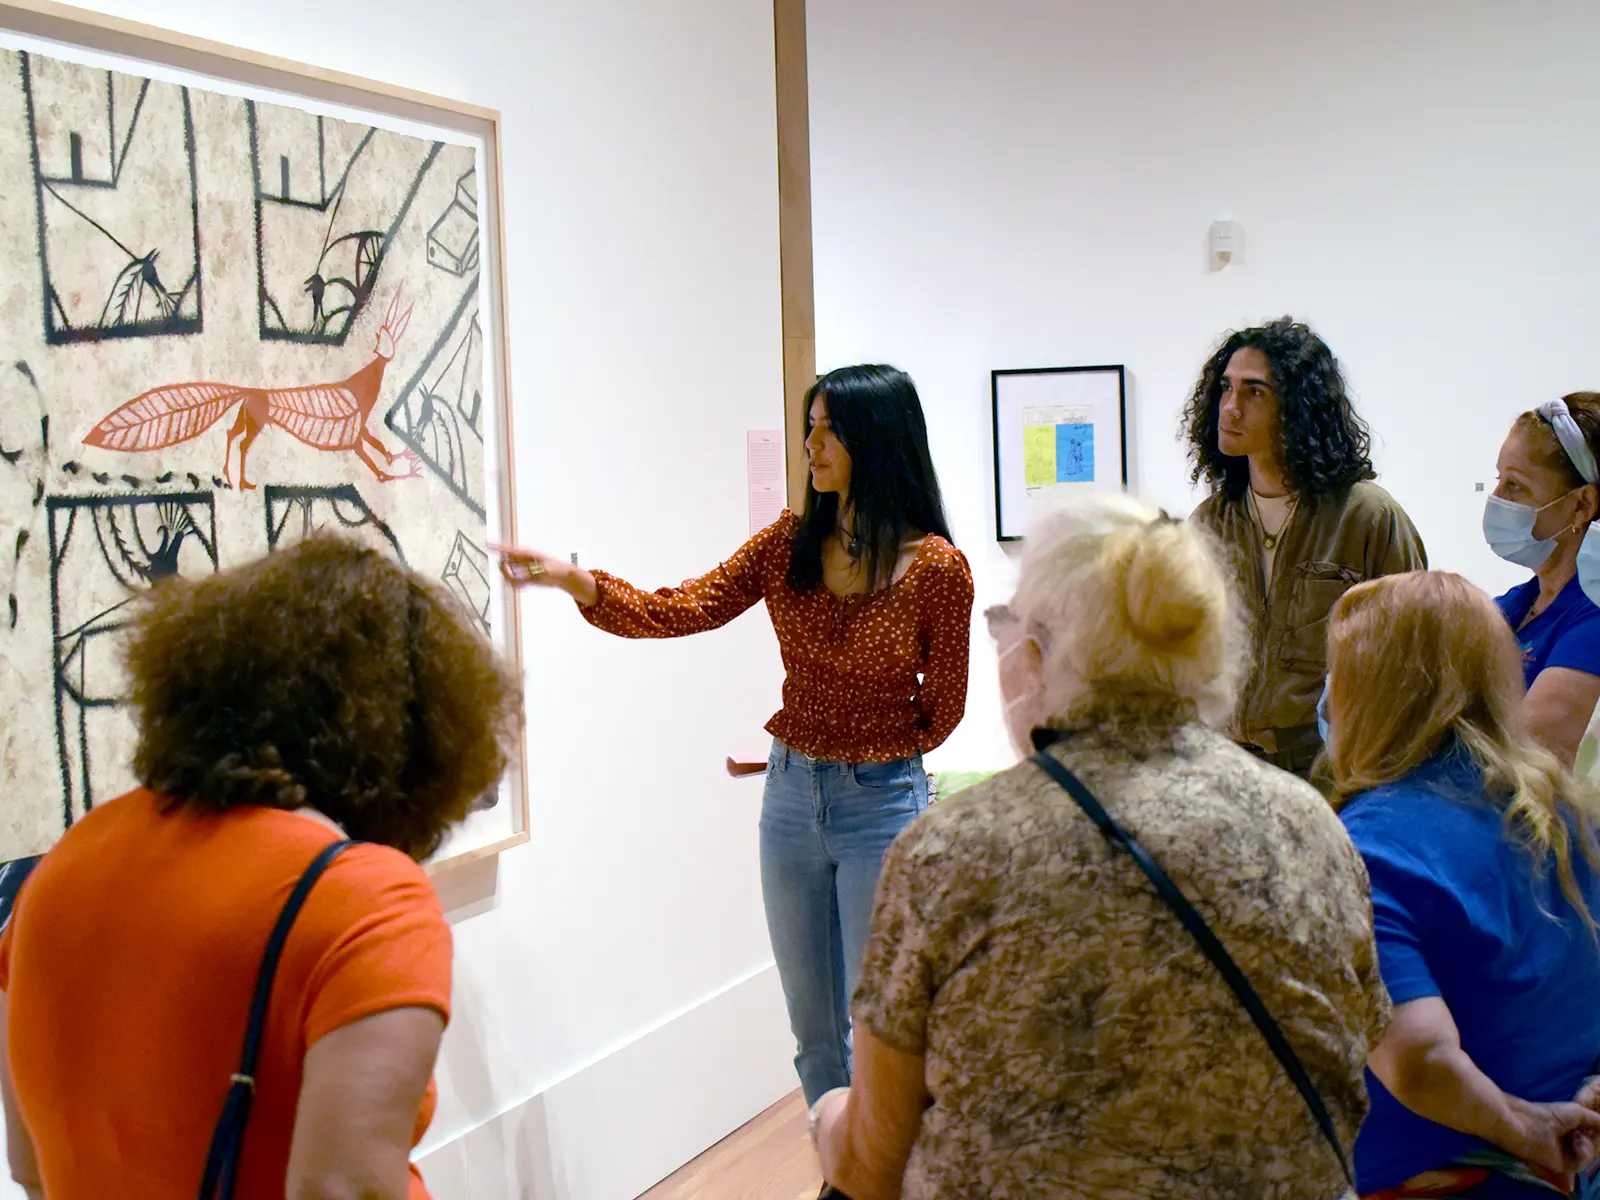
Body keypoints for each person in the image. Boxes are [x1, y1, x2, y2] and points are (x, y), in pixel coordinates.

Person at [811, 492, 1387, 1199]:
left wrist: (825, 1116)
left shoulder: (950, 853)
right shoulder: (1312, 827)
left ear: (1034, 654)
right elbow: (1352, 1064)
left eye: (1003, 627)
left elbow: (871, 1164)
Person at [496, 364, 973, 1110]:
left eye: (828, 429)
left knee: (880, 1021)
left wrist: (870, 748)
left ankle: (888, 1176)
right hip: (789, 798)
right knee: (813, 1031)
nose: (810, 445)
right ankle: (840, 1176)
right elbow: (686, 607)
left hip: (882, 804)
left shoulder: (939, 570)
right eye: (807, 426)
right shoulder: (789, 542)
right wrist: (579, 583)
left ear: (876, 441)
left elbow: (943, 709)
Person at [0, 534, 521, 1199]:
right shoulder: (363, 900)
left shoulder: (62, 867)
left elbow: (31, 1167)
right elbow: (344, 1190)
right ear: (412, 729)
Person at [1324, 570, 1600, 1198]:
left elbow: (1418, 1059)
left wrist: (1524, 1129)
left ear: (1369, 692)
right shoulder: (1566, 816)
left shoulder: (1367, 848)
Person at [1183, 316, 1426, 778]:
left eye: (1255, 392)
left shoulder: (1367, 518)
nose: (1231, 408)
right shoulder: (1211, 523)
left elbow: (1413, 660)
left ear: (1298, 407)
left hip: (1331, 772)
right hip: (1226, 766)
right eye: (1226, 389)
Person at [1486, 395, 1600, 767]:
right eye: (1498, 480)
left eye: (1515, 486)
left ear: (1582, 505)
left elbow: (1523, 759)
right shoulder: (1515, 605)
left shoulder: (1592, 619)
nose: (1496, 498)